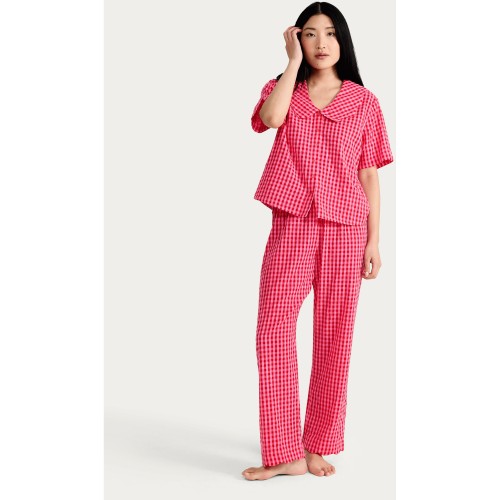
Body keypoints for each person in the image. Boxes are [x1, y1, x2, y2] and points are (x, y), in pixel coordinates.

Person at [242, 2, 394, 481]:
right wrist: (291, 65)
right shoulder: (283, 89)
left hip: (346, 228)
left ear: (343, 40)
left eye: (330, 33)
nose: (321, 43)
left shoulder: (363, 102)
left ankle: (319, 444)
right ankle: (284, 451)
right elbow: (270, 119)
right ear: (297, 39)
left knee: (334, 335)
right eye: (310, 34)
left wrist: (374, 240)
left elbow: (369, 174)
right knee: (272, 329)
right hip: (293, 222)